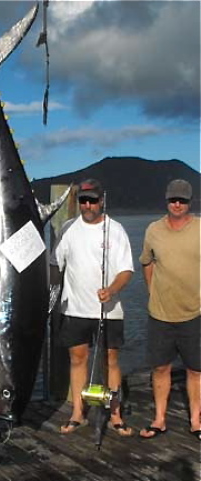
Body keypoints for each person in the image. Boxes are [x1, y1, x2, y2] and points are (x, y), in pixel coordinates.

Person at [50, 179, 134, 436]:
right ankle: (78, 412)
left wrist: (112, 290)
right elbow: (56, 264)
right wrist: (50, 295)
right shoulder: (67, 228)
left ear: (102, 201)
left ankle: (116, 413)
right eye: (83, 200)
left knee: (111, 361)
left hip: (109, 310)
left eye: (92, 200)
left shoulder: (116, 229)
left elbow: (126, 270)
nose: (87, 205)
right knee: (78, 360)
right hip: (74, 309)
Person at [139, 179, 200, 440]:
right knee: (160, 368)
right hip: (160, 315)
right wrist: (153, 292)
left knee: (196, 370)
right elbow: (147, 262)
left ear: (190, 202)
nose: (177, 204)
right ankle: (160, 419)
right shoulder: (153, 230)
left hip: (195, 313)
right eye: (173, 199)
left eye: (182, 200)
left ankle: (197, 421)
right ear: (166, 200)